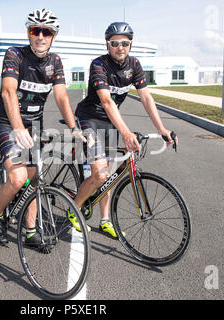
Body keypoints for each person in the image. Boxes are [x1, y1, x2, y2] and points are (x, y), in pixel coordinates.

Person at [70, 22, 178, 238]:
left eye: (125, 43)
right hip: (89, 119)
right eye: (115, 43)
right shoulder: (99, 64)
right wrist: (127, 133)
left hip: (110, 121)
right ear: (108, 44)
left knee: (108, 174)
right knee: (100, 172)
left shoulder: (134, 65)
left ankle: (105, 220)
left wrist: (162, 128)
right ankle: (74, 209)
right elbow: (107, 102)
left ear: (130, 44)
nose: (120, 47)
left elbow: (146, 97)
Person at [0, 9, 82, 246]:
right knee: (18, 177)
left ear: (54, 36)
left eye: (46, 32)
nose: (40, 36)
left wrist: (74, 128)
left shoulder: (55, 62)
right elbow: (8, 92)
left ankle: (30, 231)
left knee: (34, 179)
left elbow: (61, 97)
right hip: (9, 123)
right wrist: (18, 128)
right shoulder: (15, 55)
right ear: (29, 33)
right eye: (35, 30)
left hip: (34, 125)